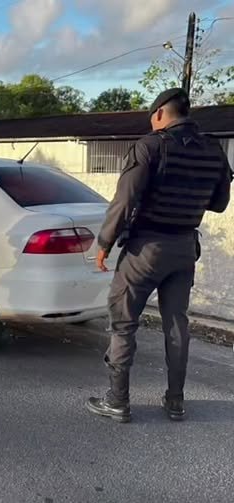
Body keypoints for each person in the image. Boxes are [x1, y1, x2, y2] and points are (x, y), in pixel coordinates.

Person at [86, 88, 232, 423]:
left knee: (123, 323)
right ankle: (175, 401)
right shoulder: (214, 150)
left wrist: (105, 242)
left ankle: (117, 401)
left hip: (146, 250)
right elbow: (220, 204)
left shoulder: (151, 146)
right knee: (177, 325)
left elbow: (125, 200)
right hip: (184, 249)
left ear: (160, 114)